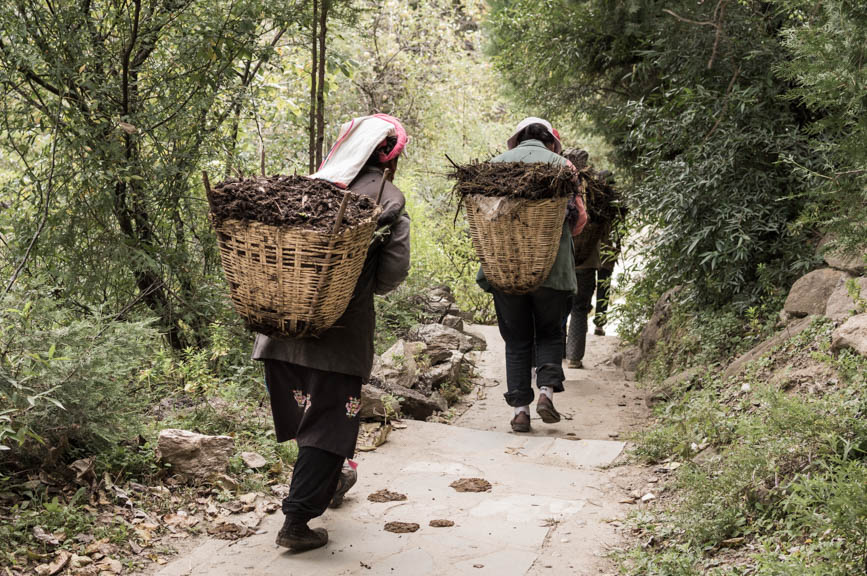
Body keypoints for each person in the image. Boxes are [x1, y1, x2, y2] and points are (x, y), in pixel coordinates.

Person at [252, 114, 411, 552]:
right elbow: (390, 276)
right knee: (328, 423)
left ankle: (334, 479)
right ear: (390, 159)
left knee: (316, 418)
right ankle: (297, 520)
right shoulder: (388, 199)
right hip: (336, 342)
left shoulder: (303, 187)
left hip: (278, 332)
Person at [477, 117, 587, 433]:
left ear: (518, 140)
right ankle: (546, 393)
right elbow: (579, 219)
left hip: (506, 265)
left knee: (517, 338)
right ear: (550, 143)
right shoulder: (564, 166)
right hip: (551, 268)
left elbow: (484, 215)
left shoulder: (494, 165)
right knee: (551, 331)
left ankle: (520, 412)